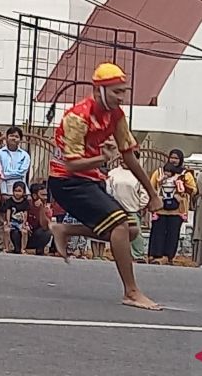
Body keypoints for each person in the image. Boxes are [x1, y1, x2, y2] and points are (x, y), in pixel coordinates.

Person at [48, 63, 162, 310]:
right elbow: (71, 166)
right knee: (120, 224)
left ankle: (65, 230)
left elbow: (129, 155)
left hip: (90, 179)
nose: (121, 98)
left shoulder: (117, 116)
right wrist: (103, 159)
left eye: (123, 92)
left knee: (130, 230)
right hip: (65, 181)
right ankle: (131, 292)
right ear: (99, 90)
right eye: (116, 92)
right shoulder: (77, 116)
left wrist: (152, 193)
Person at [147, 148, 196, 264]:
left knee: (173, 233)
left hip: (177, 209)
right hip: (161, 208)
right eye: (172, 158)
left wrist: (182, 189)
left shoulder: (185, 174)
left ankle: (168, 256)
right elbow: (151, 186)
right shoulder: (159, 172)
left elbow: (194, 190)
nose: (174, 160)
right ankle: (155, 254)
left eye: (176, 158)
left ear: (181, 160)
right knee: (157, 231)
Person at [106, 152, 150, 262]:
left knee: (136, 233)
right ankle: (119, 255)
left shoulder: (139, 174)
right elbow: (108, 189)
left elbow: (145, 193)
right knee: (118, 233)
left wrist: (140, 206)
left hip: (132, 209)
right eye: (120, 158)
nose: (122, 160)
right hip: (116, 209)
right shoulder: (113, 173)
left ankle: (138, 255)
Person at [0, 127, 31, 196]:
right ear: (6, 137)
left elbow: (21, 173)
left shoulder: (25, 155)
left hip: (20, 190)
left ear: (20, 139)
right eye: (11, 136)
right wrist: (4, 192)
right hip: (3, 190)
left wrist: (4, 174)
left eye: (16, 136)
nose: (13, 138)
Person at [0, 181, 31, 253]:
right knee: (6, 230)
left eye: (19, 191)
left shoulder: (25, 202)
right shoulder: (10, 201)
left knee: (24, 232)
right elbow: (8, 212)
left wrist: (24, 223)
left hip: (21, 222)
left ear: (23, 192)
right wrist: (8, 222)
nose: (17, 193)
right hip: (12, 221)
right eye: (15, 191)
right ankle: (6, 247)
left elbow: (25, 213)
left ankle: (23, 248)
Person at [26, 182, 53, 255]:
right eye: (43, 195)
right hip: (24, 233)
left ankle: (39, 249)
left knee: (47, 231)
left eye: (46, 195)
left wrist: (41, 209)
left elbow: (45, 226)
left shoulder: (46, 209)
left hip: (35, 235)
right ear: (34, 196)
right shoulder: (27, 204)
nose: (45, 198)